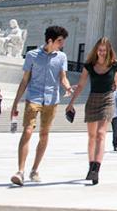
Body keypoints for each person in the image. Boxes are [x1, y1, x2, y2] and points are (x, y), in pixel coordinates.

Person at [9, 26, 72, 186]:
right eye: (59, 41)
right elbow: (25, 80)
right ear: (50, 40)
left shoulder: (61, 57)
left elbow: (63, 77)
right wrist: (16, 102)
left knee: (44, 135)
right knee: (28, 131)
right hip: (34, 97)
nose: (62, 44)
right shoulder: (32, 55)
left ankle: (34, 169)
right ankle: (20, 171)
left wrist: (69, 88)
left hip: (52, 99)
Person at [67, 37, 117, 185]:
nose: (102, 52)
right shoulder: (89, 66)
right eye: (100, 50)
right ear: (96, 50)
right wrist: (71, 103)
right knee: (92, 136)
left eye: (104, 50)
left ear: (108, 51)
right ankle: (91, 165)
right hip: (93, 99)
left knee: (100, 134)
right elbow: (80, 85)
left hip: (107, 99)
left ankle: (96, 170)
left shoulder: (115, 66)